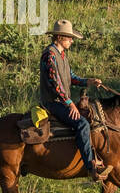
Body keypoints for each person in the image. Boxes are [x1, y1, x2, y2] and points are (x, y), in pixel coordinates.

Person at [39, 19, 111, 181]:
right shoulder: (49, 55)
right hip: (53, 102)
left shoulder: (62, 55)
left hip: (62, 101)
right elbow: (55, 84)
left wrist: (88, 81)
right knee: (82, 123)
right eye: (69, 37)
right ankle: (90, 166)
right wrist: (70, 103)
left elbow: (70, 78)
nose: (72, 40)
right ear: (59, 37)